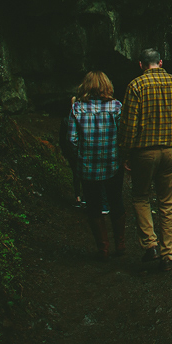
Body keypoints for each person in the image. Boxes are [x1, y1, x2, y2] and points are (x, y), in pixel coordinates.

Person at [118, 48, 172, 271]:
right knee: (168, 203)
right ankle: (168, 255)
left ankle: (150, 245)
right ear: (160, 63)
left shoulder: (135, 86)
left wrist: (126, 153)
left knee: (141, 196)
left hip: (144, 153)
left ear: (141, 65)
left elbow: (128, 126)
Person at [68, 71, 126, 261]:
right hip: (112, 163)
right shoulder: (116, 107)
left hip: (88, 166)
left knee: (93, 207)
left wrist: (82, 156)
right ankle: (120, 244)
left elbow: (72, 139)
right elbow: (123, 135)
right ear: (106, 86)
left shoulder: (77, 108)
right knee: (116, 202)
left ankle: (103, 249)